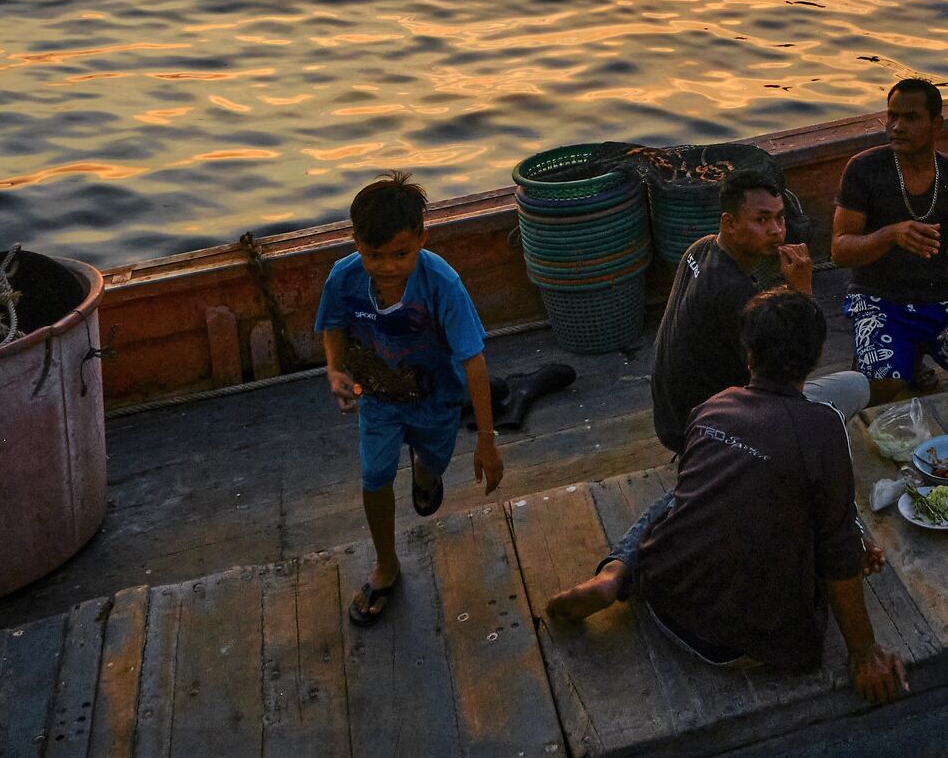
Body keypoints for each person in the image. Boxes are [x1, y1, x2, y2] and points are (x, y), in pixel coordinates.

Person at [543, 290, 908, 704]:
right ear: (817, 356)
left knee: (684, 496)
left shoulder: (712, 408)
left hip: (665, 599)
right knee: (808, 519)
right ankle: (620, 575)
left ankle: (615, 574)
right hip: (740, 644)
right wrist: (863, 651)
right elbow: (836, 553)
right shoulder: (824, 428)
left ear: (749, 355)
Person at [317, 173, 503, 626]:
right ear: (356, 242)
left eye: (400, 254)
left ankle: (425, 470)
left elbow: (474, 360)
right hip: (378, 396)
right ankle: (386, 563)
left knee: (434, 460)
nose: (386, 267)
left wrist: (486, 439)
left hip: (437, 398)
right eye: (373, 255)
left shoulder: (442, 283)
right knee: (375, 474)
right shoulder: (343, 278)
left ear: (422, 238)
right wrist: (335, 370)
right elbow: (333, 325)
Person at [650, 168, 870, 453]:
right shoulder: (733, 293)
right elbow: (793, 373)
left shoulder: (701, 248)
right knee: (857, 386)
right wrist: (802, 291)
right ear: (729, 222)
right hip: (715, 432)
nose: (776, 230)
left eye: (780, 217)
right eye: (761, 220)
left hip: (672, 422)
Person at [831, 76, 948, 404]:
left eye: (910, 118)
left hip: (936, 299)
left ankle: (913, 353)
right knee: (881, 385)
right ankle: (899, 357)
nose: (897, 127)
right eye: (892, 116)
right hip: (877, 298)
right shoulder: (863, 170)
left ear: (936, 124)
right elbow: (840, 250)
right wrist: (891, 234)